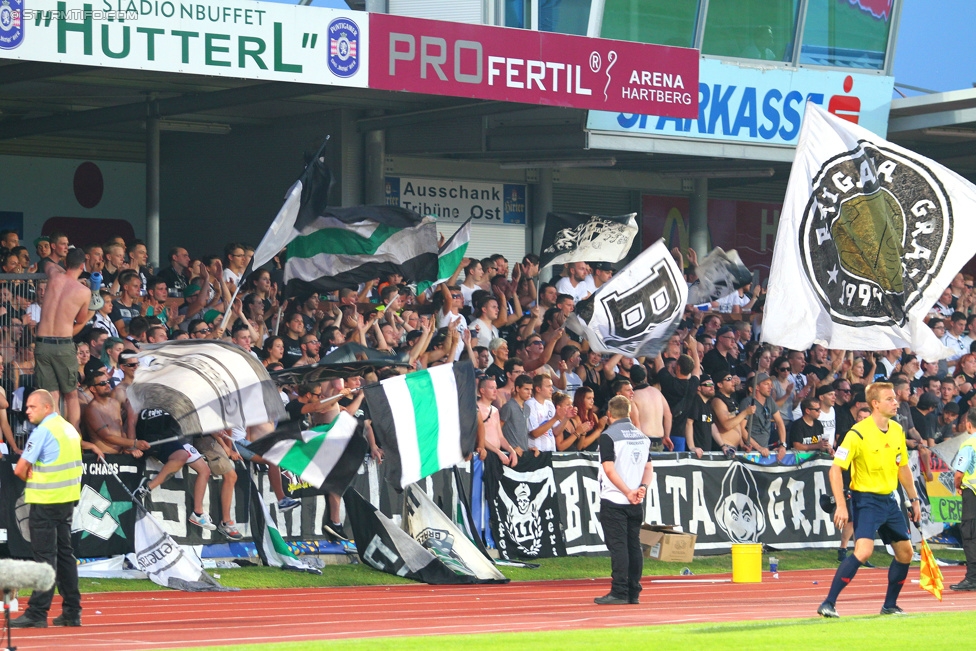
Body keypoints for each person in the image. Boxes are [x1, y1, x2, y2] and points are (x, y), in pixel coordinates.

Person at [818, 382, 922, 618]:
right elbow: (835, 470)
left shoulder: (896, 429)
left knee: (905, 553)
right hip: (866, 500)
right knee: (863, 551)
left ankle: (890, 606)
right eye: (889, 399)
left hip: (889, 500)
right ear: (875, 403)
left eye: (895, 398)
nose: (895, 402)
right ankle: (828, 602)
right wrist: (841, 506)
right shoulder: (856, 434)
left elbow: (902, 466)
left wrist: (913, 499)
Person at [11, 390, 84, 628]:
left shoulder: (43, 431)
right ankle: (72, 612)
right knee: (65, 555)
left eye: (32, 407)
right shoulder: (68, 429)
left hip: (46, 500)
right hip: (66, 500)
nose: (27, 410)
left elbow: (20, 469)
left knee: (44, 558)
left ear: (47, 407)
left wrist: (29, 473)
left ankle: (37, 612)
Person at [594, 395, 653, 605]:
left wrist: (627, 491)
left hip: (615, 499)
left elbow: (608, 469)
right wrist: (641, 489)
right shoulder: (642, 437)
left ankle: (619, 591)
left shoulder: (609, 436)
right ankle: (633, 591)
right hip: (636, 501)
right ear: (628, 413)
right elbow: (648, 468)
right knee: (633, 546)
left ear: (609, 414)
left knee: (619, 547)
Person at [35, 247, 92, 430]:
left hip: (42, 344)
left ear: (65, 262)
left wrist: (61, 270)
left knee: (52, 396)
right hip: (63, 344)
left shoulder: (54, 276)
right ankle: (73, 438)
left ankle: (55, 437)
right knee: (71, 395)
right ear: (83, 265)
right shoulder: (83, 292)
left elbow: (47, 263)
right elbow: (81, 320)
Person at [951, 409, 976, 591]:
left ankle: (972, 578)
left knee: (970, 535)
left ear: (968, 424)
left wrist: (958, 486)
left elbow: (959, 473)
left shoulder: (969, 444)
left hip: (972, 493)